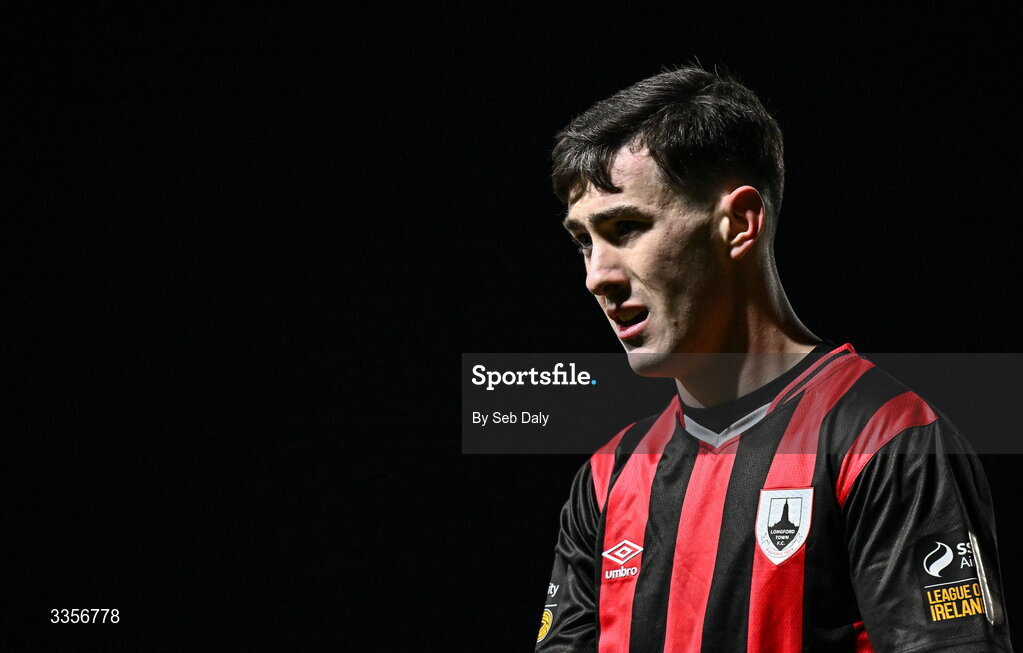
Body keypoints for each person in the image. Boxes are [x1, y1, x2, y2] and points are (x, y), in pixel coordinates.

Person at [536, 65, 1011, 652]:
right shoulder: (609, 478)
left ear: (739, 223)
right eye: (584, 241)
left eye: (626, 227)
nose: (596, 277)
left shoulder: (885, 440)